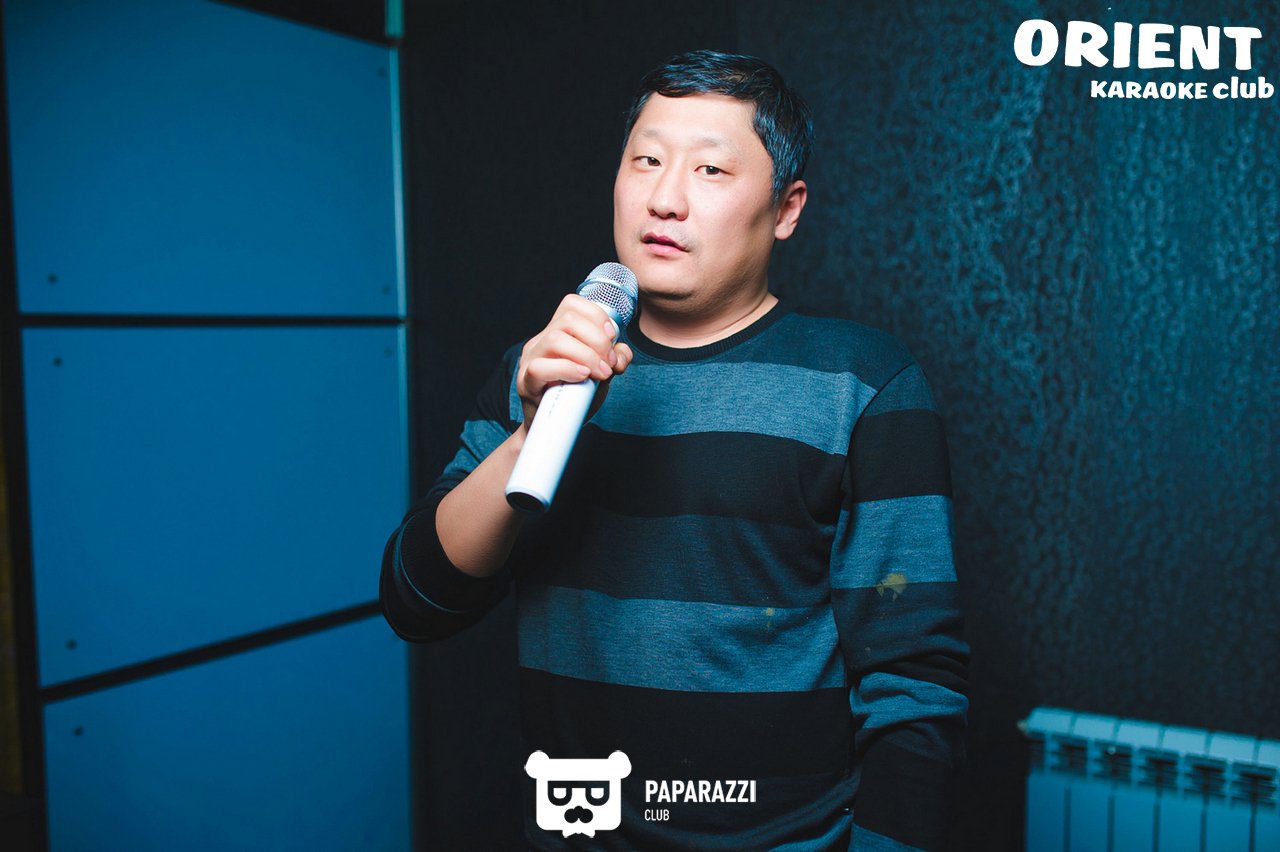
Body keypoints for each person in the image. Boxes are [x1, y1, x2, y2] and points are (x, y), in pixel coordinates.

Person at [381, 49, 968, 851]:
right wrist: (530, 433)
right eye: (646, 161)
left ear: (787, 208)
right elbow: (416, 601)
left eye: (710, 170)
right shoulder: (543, 369)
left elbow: (915, 689)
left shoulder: (862, 385)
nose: (664, 198)